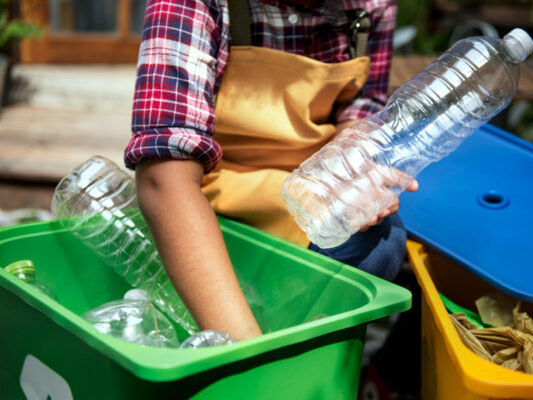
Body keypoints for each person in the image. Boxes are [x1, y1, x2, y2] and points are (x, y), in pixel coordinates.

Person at [125, 1, 419, 393]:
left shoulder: (369, 5)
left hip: (303, 192)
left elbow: (359, 107)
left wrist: (353, 159)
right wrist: (250, 363)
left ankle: (308, 366)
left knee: (381, 241)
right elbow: (164, 179)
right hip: (211, 197)